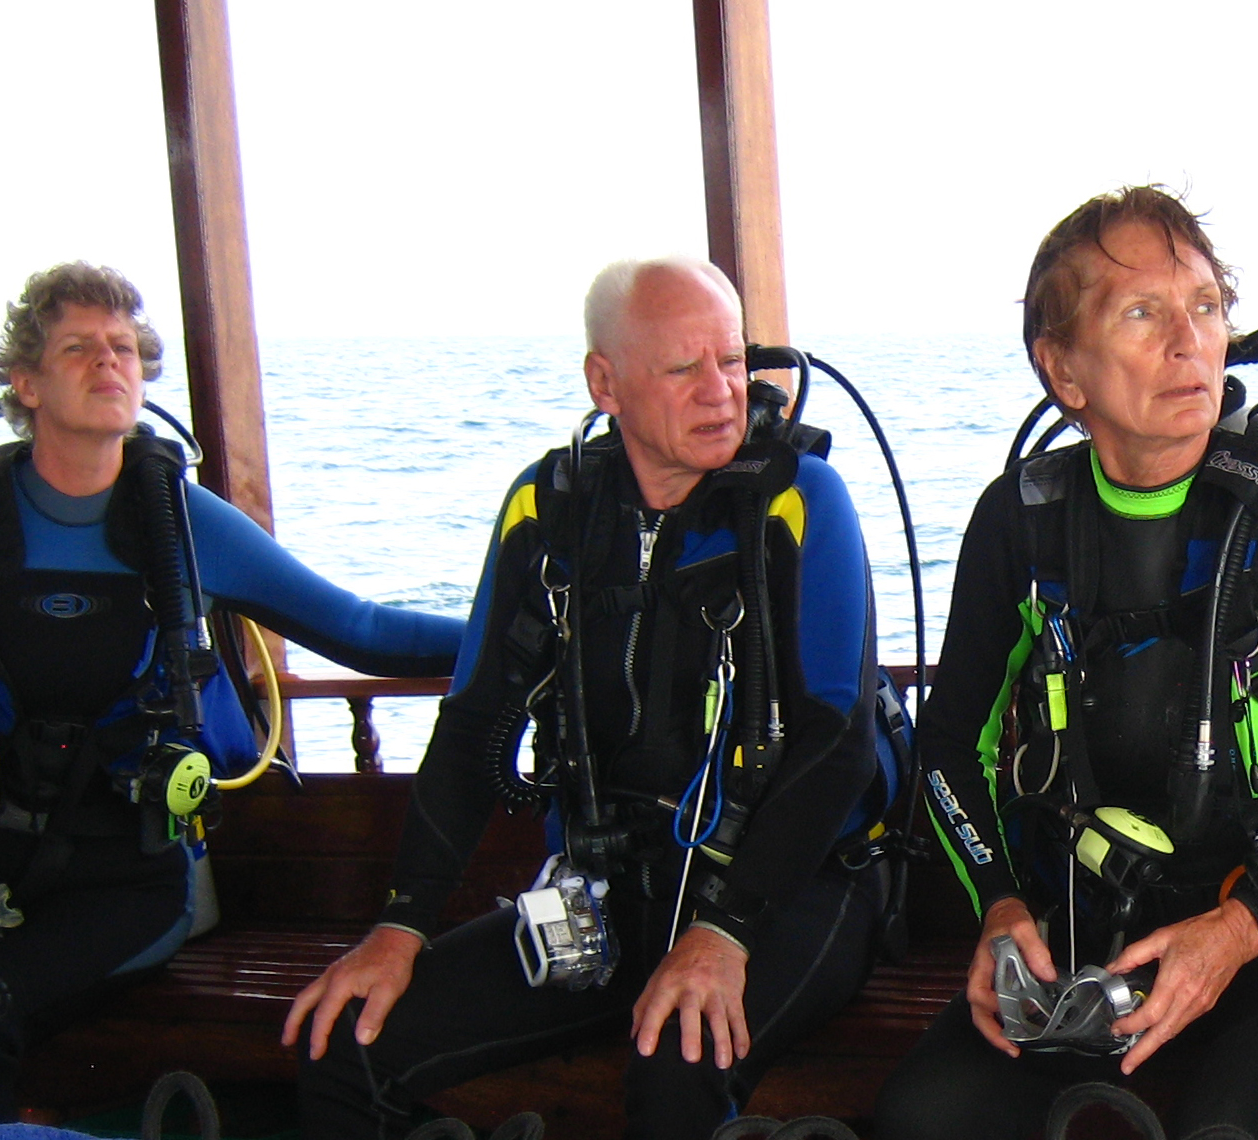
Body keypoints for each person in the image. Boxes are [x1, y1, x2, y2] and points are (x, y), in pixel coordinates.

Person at [871, 186, 1258, 1140]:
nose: (1191, 343)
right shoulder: (1024, 525)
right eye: (1143, 313)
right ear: (1064, 372)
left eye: (1208, 307)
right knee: (923, 1115)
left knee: (1226, 1121)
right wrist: (1001, 906)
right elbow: (946, 749)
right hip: (1098, 921)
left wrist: (1241, 930)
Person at [284, 257, 892, 1139]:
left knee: (673, 1064)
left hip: (795, 890)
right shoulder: (550, 509)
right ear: (604, 382)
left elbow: (834, 744)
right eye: (684, 369)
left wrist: (725, 932)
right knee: (343, 1042)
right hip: (607, 891)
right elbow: (471, 723)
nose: (721, 392)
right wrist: (401, 924)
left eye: (732, 360)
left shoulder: (800, 502)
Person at [0, 262, 464, 1120]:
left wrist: (532, 631)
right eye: (77, 348)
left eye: (122, 347)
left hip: (132, 881)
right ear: (24, 382)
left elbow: (360, 629)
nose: (109, 363)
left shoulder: (182, 524)